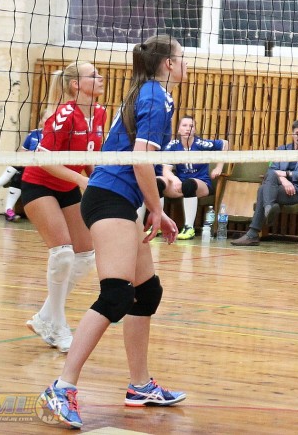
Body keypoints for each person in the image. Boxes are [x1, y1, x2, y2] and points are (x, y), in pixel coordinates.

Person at [39, 35, 187, 429]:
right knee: (117, 294)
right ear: (168, 64)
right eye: (182, 57)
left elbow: (140, 162)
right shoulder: (156, 97)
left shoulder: (153, 94)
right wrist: (157, 209)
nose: (185, 63)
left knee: (147, 292)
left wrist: (154, 205)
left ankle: (140, 386)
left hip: (119, 198)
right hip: (110, 198)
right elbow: (140, 160)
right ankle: (61, 387)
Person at [20, 62, 106, 352]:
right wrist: (82, 181)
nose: (100, 78)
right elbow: (43, 160)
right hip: (39, 185)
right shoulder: (64, 115)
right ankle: (57, 326)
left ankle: (44, 317)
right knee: (63, 254)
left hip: (67, 186)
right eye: (93, 75)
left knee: (85, 256)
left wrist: (98, 180)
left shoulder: (100, 113)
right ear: (75, 85)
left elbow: (90, 155)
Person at [231, 119, 298, 247]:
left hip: (297, 191)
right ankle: (269, 208)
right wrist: (284, 180)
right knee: (271, 174)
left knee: (262, 190)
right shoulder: (281, 149)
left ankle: (253, 234)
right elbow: (271, 170)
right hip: (278, 187)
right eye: (297, 133)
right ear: (292, 133)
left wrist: (288, 174)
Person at [160, 115, 228, 240]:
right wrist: (174, 179)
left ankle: (189, 227)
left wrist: (219, 167)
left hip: (201, 184)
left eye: (191, 126)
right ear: (178, 129)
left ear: (195, 130)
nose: (188, 129)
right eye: (184, 125)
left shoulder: (201, 144)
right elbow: (166, 171)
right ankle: (157, 223)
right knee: (157, 182)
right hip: (180, 184)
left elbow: (225, 144)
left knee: (189, 184)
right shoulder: (173, 146)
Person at [0, 125, 45, 222]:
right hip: (28, 164)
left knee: (18, 170)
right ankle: (8, 210)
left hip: (44, 167)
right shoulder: (34, 133)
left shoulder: (54, 134)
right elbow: (22, 151)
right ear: (41, 121)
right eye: (44, 118)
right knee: (18, 174)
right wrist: (29, 154)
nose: (46, 121)